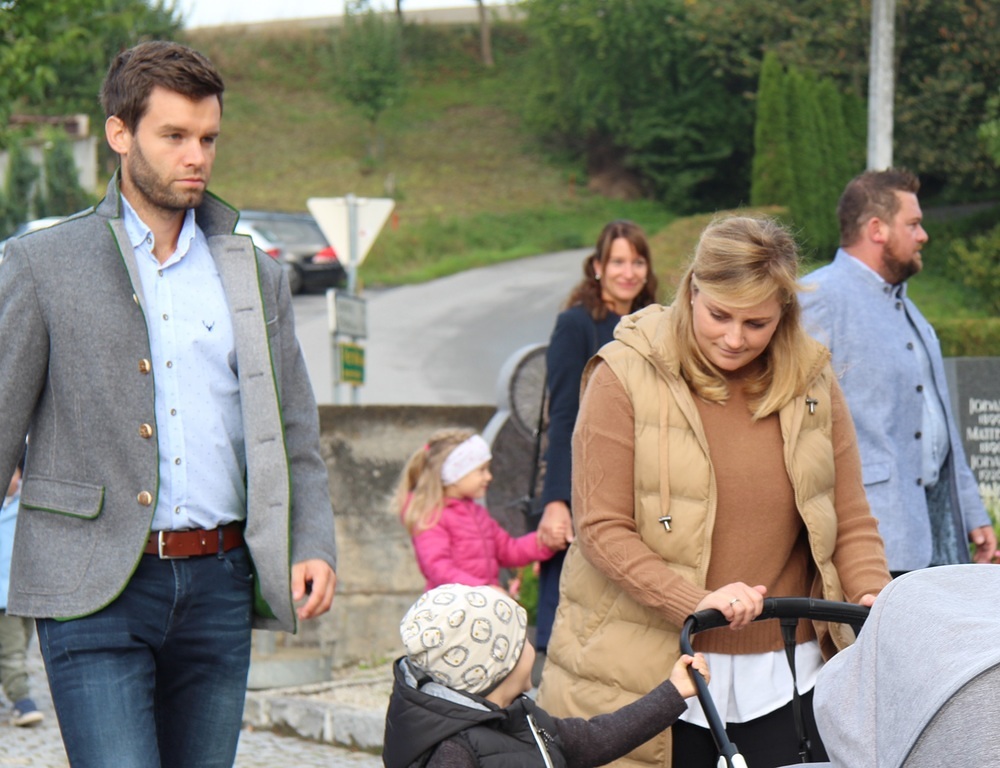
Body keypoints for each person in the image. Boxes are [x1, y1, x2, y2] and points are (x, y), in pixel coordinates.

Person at [0, 41, 337, 767]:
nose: (196, 157)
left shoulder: (254, 275)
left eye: (208, 138)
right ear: (120, 134)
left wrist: (311, 540)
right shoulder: (40, 265)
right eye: (175, 136)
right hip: (89, 587)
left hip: (220, 585)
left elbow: (293, 429)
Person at [536, 215, 892, 768]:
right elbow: (602, 528)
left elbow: (848, 516)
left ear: (784, 314)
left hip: (789, 674)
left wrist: (871, 593)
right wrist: (693, 601)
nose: (734, 338)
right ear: (691, 291)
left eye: (757, 323)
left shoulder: (813, 381)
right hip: (645, 674)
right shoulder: (623, 373)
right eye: (719, 315)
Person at [800, 168, 996, 576]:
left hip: (931, 531)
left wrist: (972, 511)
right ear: (877, 229)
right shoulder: (818, 299)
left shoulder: (909, 310)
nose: (923, 235)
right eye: (913, 224)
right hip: (866, 541)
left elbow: (939, 418)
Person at [383, 582, 710, 768]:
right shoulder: (453, 751)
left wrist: (673, 691)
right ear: (502, 663)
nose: (531, 644)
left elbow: (595, 739)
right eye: (522, 639)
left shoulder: (518, 715)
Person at [534, 220, 658, 656]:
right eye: (618, 261)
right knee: (573, 610)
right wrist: (556, 501)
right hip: (589, 480)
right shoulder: (576, 324)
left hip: (642, 482)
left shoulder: (657, 323)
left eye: (637, 262)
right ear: (598, 267)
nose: (628, 272)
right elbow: (563, 415)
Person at [394, 430, 555, 591]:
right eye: (481, 470)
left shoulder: (479, 514)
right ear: (455, 474)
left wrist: (547, 541)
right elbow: (438, 568)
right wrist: (482, 590)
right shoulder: (431, 518)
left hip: (480, 601)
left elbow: (509, 550)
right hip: (455, 603)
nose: (489, 477)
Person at [0, 447, 43, 727]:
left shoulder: (26, 506)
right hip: (2, 597)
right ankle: (22, 701)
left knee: (23, 643)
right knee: (13, 650)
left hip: (25, 591)